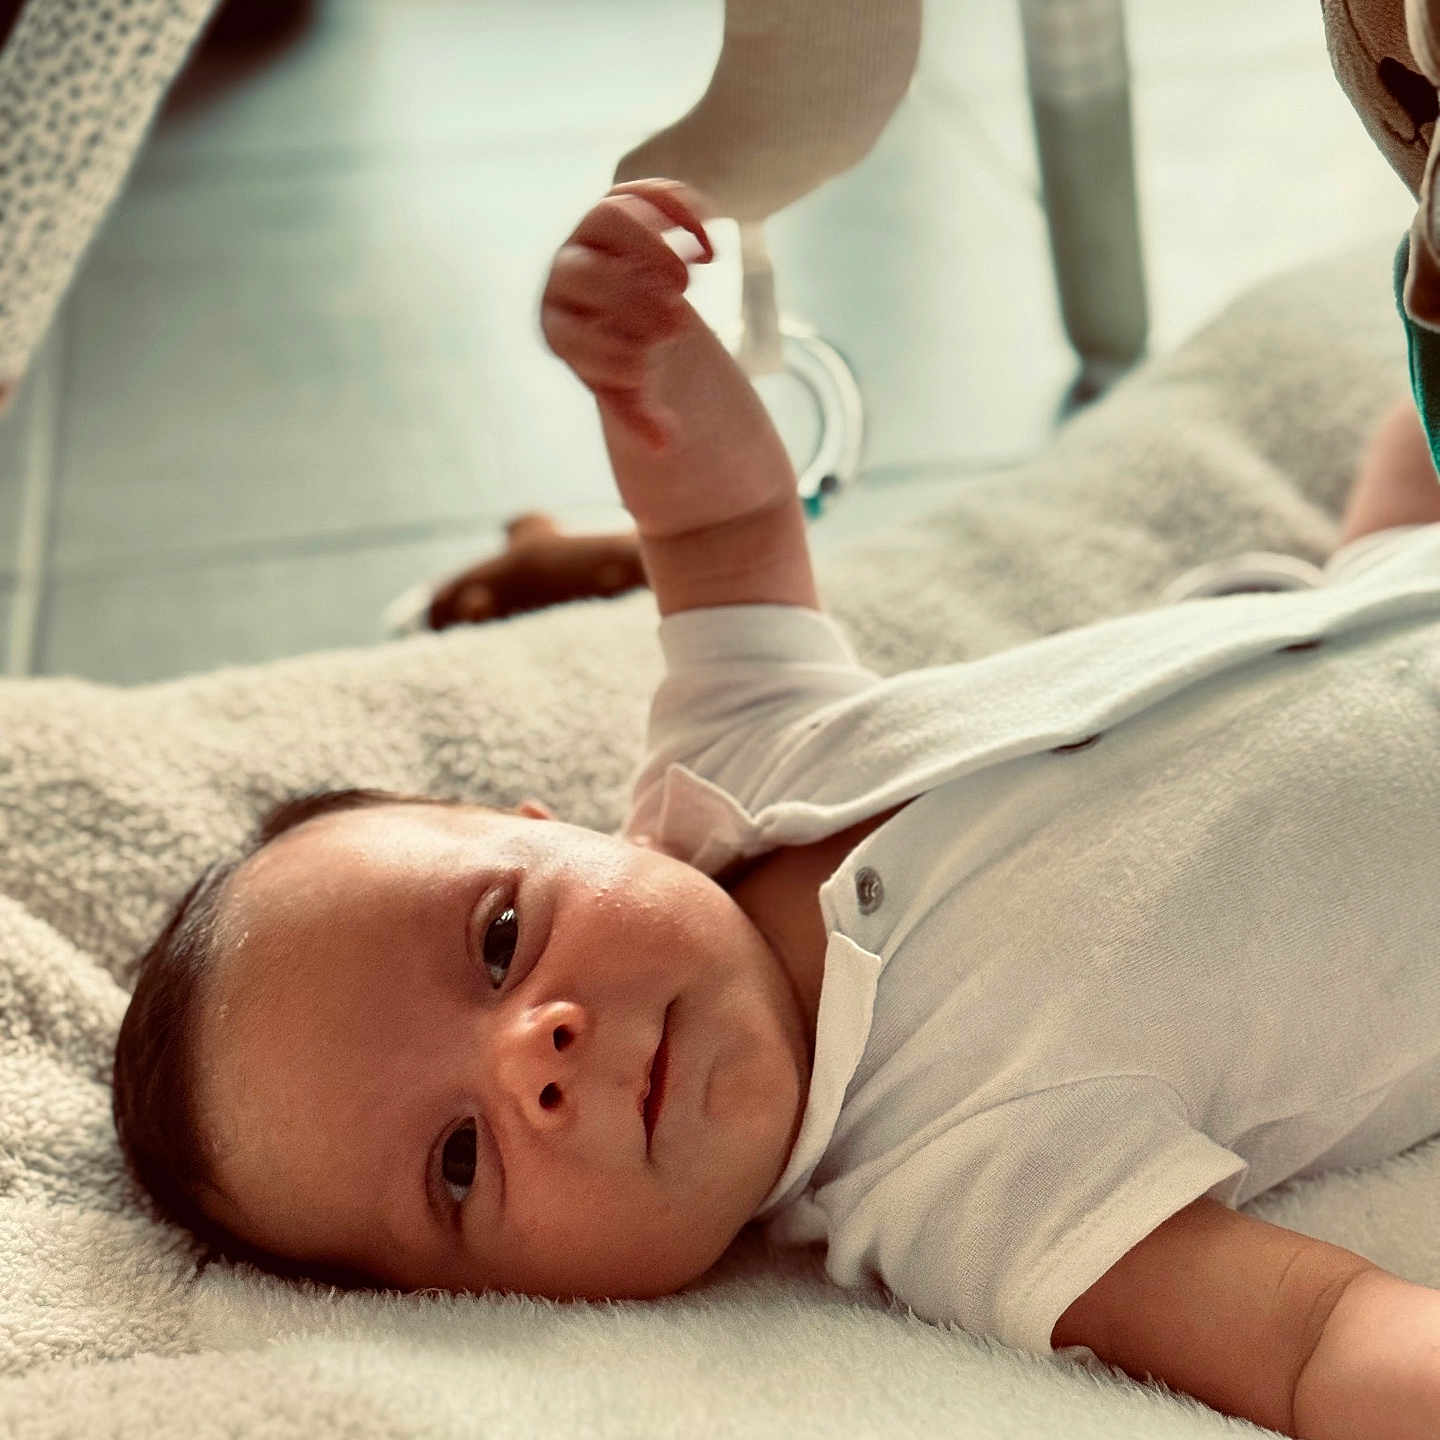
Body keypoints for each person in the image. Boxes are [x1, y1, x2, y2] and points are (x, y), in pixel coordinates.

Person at [113, 179, 1440, 1440]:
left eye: (502, 938)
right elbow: (1314, 1338)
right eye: (460, 1165)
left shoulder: (733, 762)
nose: (538, 1052)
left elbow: (726, 522)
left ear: (556, 827)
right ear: (489, 1305)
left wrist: (644, 357)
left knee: (1412, 393)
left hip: (1370, 588)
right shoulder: (965, 1194)